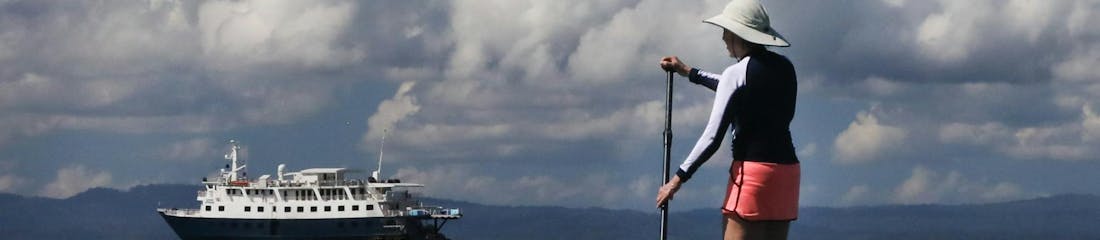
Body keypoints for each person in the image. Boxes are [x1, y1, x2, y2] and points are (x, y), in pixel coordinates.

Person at [655, 0, 799, 239]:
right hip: (787, 175)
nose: (723, 38)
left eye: (726, 31)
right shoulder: (785, 68)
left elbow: (712, 138)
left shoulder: (737, 73)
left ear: (737, 34)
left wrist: (676, 180)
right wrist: (690, 72)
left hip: (752, 174)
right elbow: (735, 87)